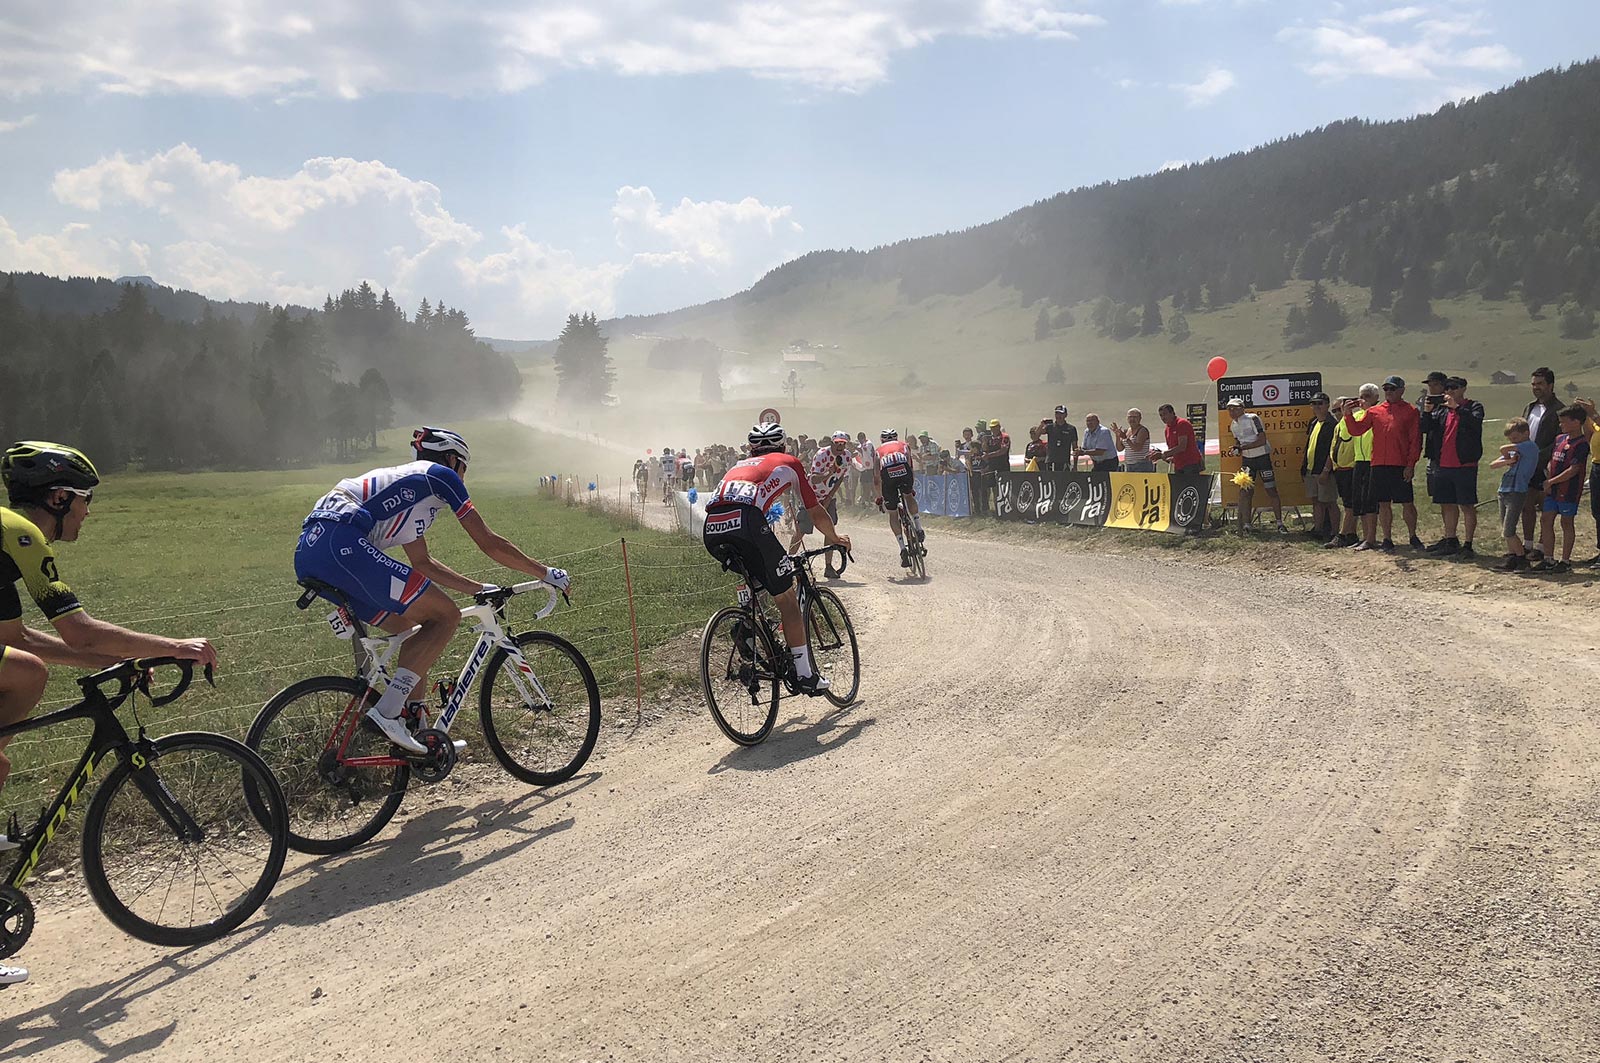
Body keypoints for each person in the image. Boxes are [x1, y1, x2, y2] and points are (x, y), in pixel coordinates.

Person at [293, 427, 570, 754]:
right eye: (464, 468)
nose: (463, 478)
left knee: (411, 630)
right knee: (446, 616)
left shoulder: (410, 489)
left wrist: (478, 588)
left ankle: (416, 729)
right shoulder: (439, 476)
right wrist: (545, 572)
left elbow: (423, 563)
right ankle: (388, 713)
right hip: (341, 542)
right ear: (453, 460)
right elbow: (489, 542)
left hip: (311, 552)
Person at [702, 423, 850, 695]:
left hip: (712, 527)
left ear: (751, 449)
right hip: (747, 522)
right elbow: (815, 511)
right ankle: (805, 675)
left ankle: (747, 625)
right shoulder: (790, 462)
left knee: (758, 575)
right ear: (783, 447)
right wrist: (836, 537)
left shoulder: (738, 465)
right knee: (787, 598)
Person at [1342, 375, 1421, 551]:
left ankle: (1413, 536)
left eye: (1392, 389)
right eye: (1386, 389)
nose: (1389, 392)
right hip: (1378, 463)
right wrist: (1348, 415)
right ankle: (1387, 538)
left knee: (1407, 502)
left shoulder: (1411, 411)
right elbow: (1357, 430)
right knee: (1383, 503)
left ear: (1402, 390)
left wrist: (1410, 464)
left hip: (1400, 463)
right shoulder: (1375, 411)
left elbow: (1415, 440)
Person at [1424, 377, 1484, 558]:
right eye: (1447, 388)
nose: (1449, 391)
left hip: (1464, 464)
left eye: (1453, 388)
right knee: (1447, 503)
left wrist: (1457, 408)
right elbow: (1426, 428)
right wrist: (1427, 412)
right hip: (1444, 463)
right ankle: (1450, 539)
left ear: (1463, 389)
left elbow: (1475, 424)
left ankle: (1468, 544)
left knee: (1466, 505)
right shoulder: (1442, 410)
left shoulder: (1474, 407)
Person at [1531, 406, 1590, 573]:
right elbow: (1552, 460)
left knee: (1566, 522)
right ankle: (1548, 558)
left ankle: (1565, 561)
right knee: (1546, 519)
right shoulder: (1559, 439)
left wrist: (1552, 481)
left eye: (1564, 421)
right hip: (1552, 489)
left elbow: (1574, 469)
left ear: (1576, 422)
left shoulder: (1581, 443)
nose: (1561, 424)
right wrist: (1549, 477)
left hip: (1569, 489)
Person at [790, 431, 851, 578]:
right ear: (832, 443)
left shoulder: (847, 456)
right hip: (811, 495)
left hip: (828, 496)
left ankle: (828, 566)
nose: (840, 446)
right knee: (801, 530)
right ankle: (787, 562)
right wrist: (829, 473)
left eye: (843, 443)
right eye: (837, 443)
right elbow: (815, 479)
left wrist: (830, 496)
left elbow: (841, 477)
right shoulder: (822, 455)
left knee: (830, 530)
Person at [1225, 397, 1285, 534]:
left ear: (1242, 408)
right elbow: (1238, 443)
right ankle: (1247, 524)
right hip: (1247, 461)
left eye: (1234, 408)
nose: (1232, 411)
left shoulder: (1253, 418)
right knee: (1246, 492)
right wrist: (1236, 448)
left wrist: (1243, 448)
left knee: (1271, 490)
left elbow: (1262, 440)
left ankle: (1280, 523)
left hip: (1262, 458)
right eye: (1229, 409)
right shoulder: (1232, 425)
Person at [1520, 367, 1561, 557]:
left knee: (1546, 509)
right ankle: (1527, 544)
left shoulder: (1559, 409)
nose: (1536, 388)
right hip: (1527, 464)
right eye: (1533, 384)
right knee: (1526, 505)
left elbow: (1559, 440)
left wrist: (1540, 456)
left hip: (1546, 465)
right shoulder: (1530, 407)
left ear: (1550, 385)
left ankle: (1542, 547)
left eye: (1540, 384)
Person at [1490, 417, 1538, 571]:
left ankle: (1521, 559)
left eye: (1516, 438)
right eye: (1511, 438)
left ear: (1526, 433)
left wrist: (1510, 454)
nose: (1513, 441)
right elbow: (1493, 465)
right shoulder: (1516, 450)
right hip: (1504, 489)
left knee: (1508, 530)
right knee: (1505, 527)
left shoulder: (1529, 447)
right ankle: (1512, 556)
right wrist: (1508, 462)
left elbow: (1503, 449)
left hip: (1517, 490)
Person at [875, 429, 925, 568]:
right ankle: (919, 528)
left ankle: (903, 549)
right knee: (908, 496)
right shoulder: (904, 445)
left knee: (893, 513)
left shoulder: (878, 450)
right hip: (904, 470)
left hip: (888, 474)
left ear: (882, 440)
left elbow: (876, 478)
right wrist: (910, 488)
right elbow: (910, 467)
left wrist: (879, 497)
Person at [1325, 396, 1368, 548]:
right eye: (1335, 410)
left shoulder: (1352, 420)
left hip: (1351, 467)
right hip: (1340, 469)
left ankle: (1343, 535)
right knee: (1347, 503)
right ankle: (1350, 533)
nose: (1337, 413)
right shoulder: (1339, 424)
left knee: (1349, 505)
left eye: (1339, 409)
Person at [1300, 393, 1339, 541]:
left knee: (1329, 502)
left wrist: (1326, 470)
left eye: (1320, 403)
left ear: (1327, 404)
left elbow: (1332, 450)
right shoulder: (1313, 422)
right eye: (1313, 403)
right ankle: (1318, 529)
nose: (1316, 406)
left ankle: (1335, 532)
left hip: (1325, 471)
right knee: (1316, 501)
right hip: (1311, 469)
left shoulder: (1332, 424)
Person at [1417, 370, 1450, 503]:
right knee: (1436, 494)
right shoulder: (1430, 405)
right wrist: (1426, 412)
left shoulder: (1450, 405)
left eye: (1435, 385)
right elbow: (1424, 428)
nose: (1432, 388)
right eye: (1430, 385)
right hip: (1433, 453)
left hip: (1446, 453)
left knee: (1447, 495)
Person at [1154, 404, 1204, 475]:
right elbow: (1172, 448)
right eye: (1161, 415)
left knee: (1190, 485)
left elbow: (1182, 447)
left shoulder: (1182, 424)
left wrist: (1164, 454)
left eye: (1165, 414)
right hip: (1179, 464)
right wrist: (1167, 457)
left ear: (1172, 413)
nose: (1163, 417)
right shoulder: (1167, 429)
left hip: (1190, 463)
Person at [983, 419, 1012, 504]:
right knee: (993, 487)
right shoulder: (989, 438)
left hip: (1003, 466)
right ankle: (996, 507)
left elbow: (1003, 451)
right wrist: (984, 442)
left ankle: (1006, 505)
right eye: (992, 427)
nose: (993, 429)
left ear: (999, 427)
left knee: (1004, 487)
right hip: (992, 466)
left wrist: (989, 455)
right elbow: (985, 450)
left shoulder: (1005, 437)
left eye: (995, 427)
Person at [1042, 405, 1079, 473]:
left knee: (1063, 482)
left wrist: (1075, 465)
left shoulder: (1071, 429)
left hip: (1064, 461)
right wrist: (1042, 423)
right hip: (1051, 461)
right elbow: (1036, 435)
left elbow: (1075, 448)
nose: (1058, 416)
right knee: (1051, 482)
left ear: (1065, 415)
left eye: (1061, 414)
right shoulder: (1050, 427)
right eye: (1057, 413)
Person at [854, 432, 878, 510]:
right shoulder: (860, 445)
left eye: (861, 439)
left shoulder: (869, 444)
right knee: (865, 488)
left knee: (873, 487)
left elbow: (864, 450)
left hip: (871, 469)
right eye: (859, 439)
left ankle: (877, 504)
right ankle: (867, 504)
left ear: (864, 437)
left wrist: (854, 447)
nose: (860, 441)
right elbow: (858, 454)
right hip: (864, 470)